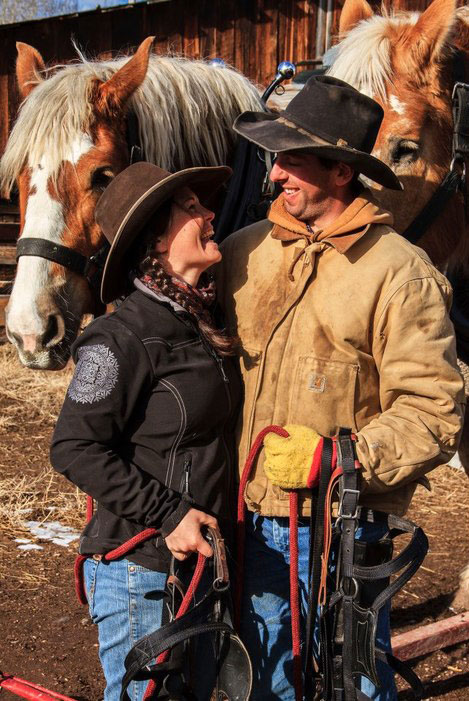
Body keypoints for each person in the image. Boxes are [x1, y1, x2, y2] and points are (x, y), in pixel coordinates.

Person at [216, 75, 465, 700]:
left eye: (294, 163)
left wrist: (340, 459)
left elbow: (433, 409)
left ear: (341, 173)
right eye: (276, 162)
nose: (275, 177)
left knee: (356, 681)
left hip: (343, 526)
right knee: (264, 677)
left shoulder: (400, 274)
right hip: (242, 517)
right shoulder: (242, 253)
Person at [50, 162, 242, 701]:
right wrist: (168, 513)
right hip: (143, 572)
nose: (209, 213)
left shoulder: (198, 319)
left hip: (193, 564)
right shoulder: (119, 337)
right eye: (190, 208)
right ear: (156, 239)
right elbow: (73, 448)